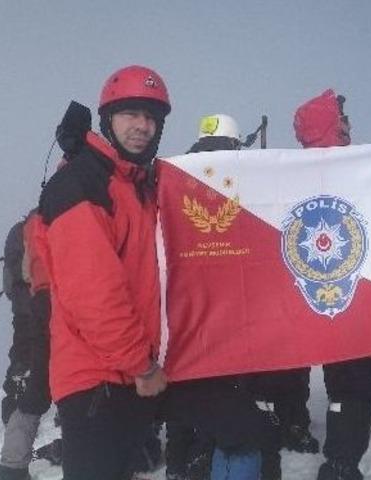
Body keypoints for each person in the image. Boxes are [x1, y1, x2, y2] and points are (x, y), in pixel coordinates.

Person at [33, 65, 169, 480]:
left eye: (152, 117)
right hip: (98, 380)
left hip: (125, 375)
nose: (142, 126)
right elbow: (95, 297)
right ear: (107, 118)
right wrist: (141, 366)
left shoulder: (134, 184)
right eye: (130, 113)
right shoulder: (85, 184)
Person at [162, 113, 272, 480]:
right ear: (235, 141)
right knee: (241, 430)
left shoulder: (170, 176)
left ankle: (180, 468)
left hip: (182, 325)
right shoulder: (240, 177)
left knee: (196, 418)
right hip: (231, 323)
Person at [293, 89, 371, 480]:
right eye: (342, 118)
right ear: (330, 123)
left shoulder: (291, 173)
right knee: (353, 384)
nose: (348, 124)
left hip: (321, 296)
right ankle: (342, 465)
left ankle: (339, 458)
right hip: (349, 298)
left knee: (343, 381)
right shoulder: (354, 170)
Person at [0, 210, 58, 480]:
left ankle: (12, 464)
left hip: (30, 317)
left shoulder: (22, 230)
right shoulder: (35, 230)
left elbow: (16, 278)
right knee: (31, 382)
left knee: (29, 383)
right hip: (37, 317)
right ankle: (13, 461)